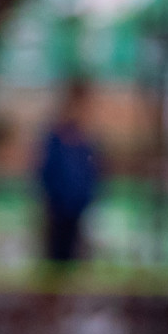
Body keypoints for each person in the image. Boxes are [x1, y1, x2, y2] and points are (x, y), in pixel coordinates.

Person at [35, 79, 100, 264]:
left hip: (78, 210)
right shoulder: (56, 137)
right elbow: (46, 172)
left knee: (73, 258)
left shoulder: (86, 139)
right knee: (55, 258)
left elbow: (93, 173)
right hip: (57, 210)